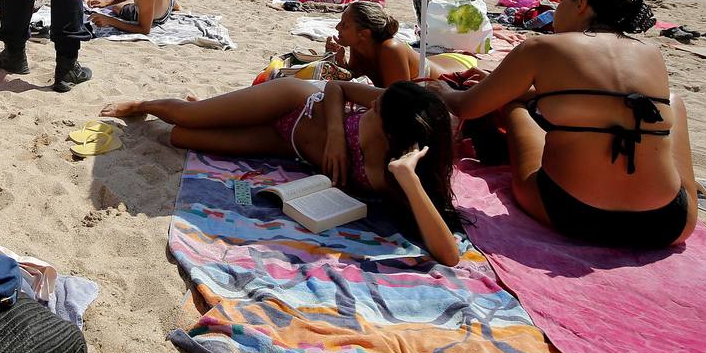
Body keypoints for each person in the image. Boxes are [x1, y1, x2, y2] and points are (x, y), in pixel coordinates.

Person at [435, 0, 697, 249]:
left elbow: (468, 107)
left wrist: (446, 93)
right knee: (671, 102)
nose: (556, 9)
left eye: (561, 1)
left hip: (572, 213)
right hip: (668, 223)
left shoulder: (540, 47)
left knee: (512, 103)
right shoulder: (651, 52)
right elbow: (605, 99)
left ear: (581, 3)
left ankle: (512, 106)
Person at [100, 79, 461, 266]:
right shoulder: (394, 102)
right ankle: (144, 103)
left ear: (391, 135)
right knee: (186, 118)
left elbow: (449, 255)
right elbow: (335, 87)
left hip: (283, 143)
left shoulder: (394, 174)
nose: (371, 105)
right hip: (295, 101)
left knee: (181, 138)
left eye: (375, 110)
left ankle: (215, 108)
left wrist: (409, 179)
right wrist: (337, 133)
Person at [326, 1, 473, 84]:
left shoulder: (392, 49)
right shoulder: (357, 46)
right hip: (438, 61)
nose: (337, 27)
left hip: (459, 68)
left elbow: (395, 99)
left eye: (345, 25)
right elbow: (357, 78)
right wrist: (340, 61)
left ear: (363, 34)